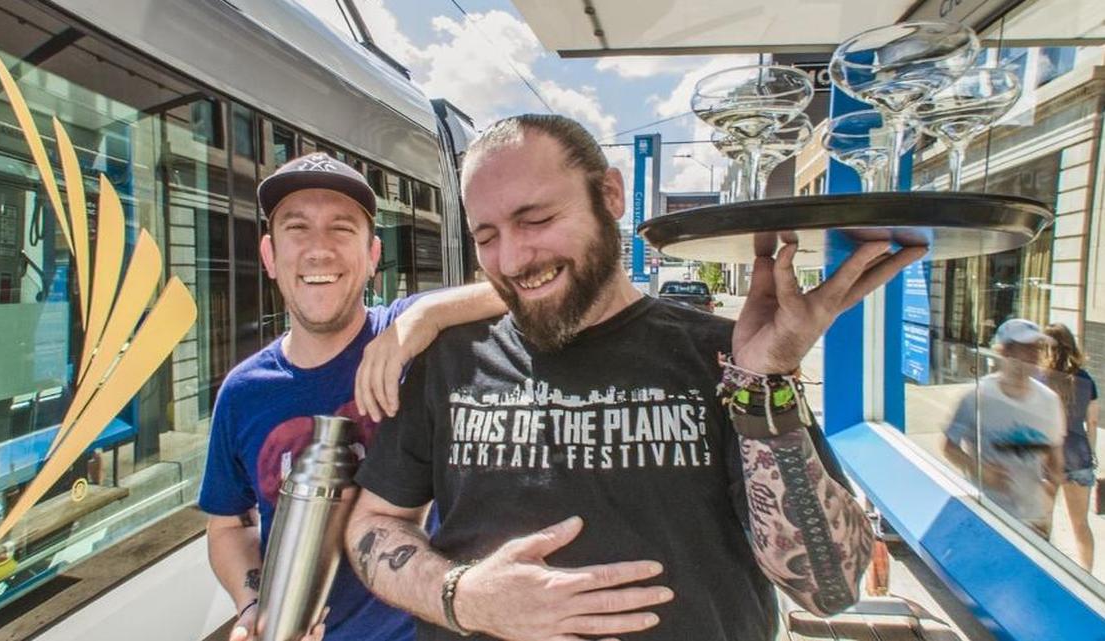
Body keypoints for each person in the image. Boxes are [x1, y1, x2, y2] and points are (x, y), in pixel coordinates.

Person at [343, 114, 926, 641]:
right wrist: (463, 597)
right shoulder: (450, 360)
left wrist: (764, 387)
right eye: (487, 237)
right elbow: (374, 524)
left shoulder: (725, 358)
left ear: (611, 194)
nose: (514, 259)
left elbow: (830, 587)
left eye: (537, 218)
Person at [198, 152, 505, 641]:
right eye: (297, 228)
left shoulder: (413, 338)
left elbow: (519, 287)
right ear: (270, 257)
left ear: (372, 256)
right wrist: (252, 604)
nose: (319, 250)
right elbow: (228, 527)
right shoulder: (243, 392)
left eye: (341, 229)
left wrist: (422, 319)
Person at [943, 318, 1066, 538]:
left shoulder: (1049, 401)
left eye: (1037, 348)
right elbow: (949, 447)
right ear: (1006, 352)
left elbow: (1055, 458)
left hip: (1032, 521)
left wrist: (1047, 508)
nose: (1034, 355)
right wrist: (980, 470)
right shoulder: (977, 397)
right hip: (987, 515)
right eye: (1026, 348)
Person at [1043, 322, 1098, 570]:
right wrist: (1092, 451)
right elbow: (1092, 420)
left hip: (1048, 458)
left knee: (1044, 520)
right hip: (1078, 455)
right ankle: (1085, 575)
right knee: (1080, 524)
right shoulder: (1085, 379)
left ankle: (1046, 570)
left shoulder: (1041, 378)